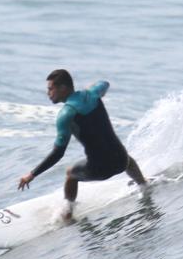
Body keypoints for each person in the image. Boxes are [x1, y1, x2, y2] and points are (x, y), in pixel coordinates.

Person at [17, 69, 147, 218]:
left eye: (50, 88)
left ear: (63, 88)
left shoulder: (66, 114)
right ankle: (143, 184)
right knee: (126, 158)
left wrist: (32, 174)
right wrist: (91, 90)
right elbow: (104, 83)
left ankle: (67, 213)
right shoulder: (92, 93)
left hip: (100, 169)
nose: (48, 93)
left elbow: (58, 153)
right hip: (121, 161)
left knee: (70, 174)